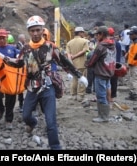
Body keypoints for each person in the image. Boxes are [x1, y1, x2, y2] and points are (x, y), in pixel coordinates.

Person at [12, 15, 88, 150]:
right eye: (32, 30)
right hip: (32, 88)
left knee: (51, 121)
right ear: (29, 31)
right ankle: (33, 122)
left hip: (47, 88)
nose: (35, 33)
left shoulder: (50, 47)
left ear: (42, 30)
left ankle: (55, 147)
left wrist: (78, 75)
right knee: (26, 116)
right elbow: (18, 63)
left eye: (37, 30)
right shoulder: (25, 49)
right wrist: (4, 60)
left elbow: (63, 61)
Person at [86, 26, 116, 123]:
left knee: (101, 95)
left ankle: (103, 117)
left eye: (97, 34)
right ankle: (104, 114)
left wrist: (87, 64)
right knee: (106, 92)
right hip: (109, 72)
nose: (96, 36)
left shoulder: (101, 46)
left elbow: (93, 60)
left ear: (101, 34)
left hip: (100, 73)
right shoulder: (112, 44)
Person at [66, 26, 89, 102]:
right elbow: (85, 51)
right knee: (82, 79)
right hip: (82, 64)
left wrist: (71, 61)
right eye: (83, 32)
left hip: (73, 65)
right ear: (80, 33)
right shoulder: (84, 41)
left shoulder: (69, 42)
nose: (83, 34)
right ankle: (81, 96)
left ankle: (73, 95)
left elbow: (68, 54)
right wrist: (76, 56)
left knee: (74, 80)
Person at [125, 28, 137, 100]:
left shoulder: (136, 43)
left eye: (131, 34)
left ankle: (134, 94)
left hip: (135, 64)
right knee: (136, 79)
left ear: (136, 35)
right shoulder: (134, 42)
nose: (130, 36)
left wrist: (131, 63)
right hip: (136, 64)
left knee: (134, 79)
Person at [108, 27, 122, 101]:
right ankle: (112, 97)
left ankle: (108, 97)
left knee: (107, 81)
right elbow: (119, 55)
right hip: (115, 64)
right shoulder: (118, 43)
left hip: (107, 65)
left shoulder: (106, 42)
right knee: (114, 81)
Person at [16, 34, 26, 113]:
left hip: (22, 69)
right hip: (18, 70)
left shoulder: (22, 45)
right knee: (19, 88)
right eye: (24, 38)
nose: (25, 39)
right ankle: (21, 104)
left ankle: (21, 103)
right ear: (21, 39)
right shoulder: (18, 46)